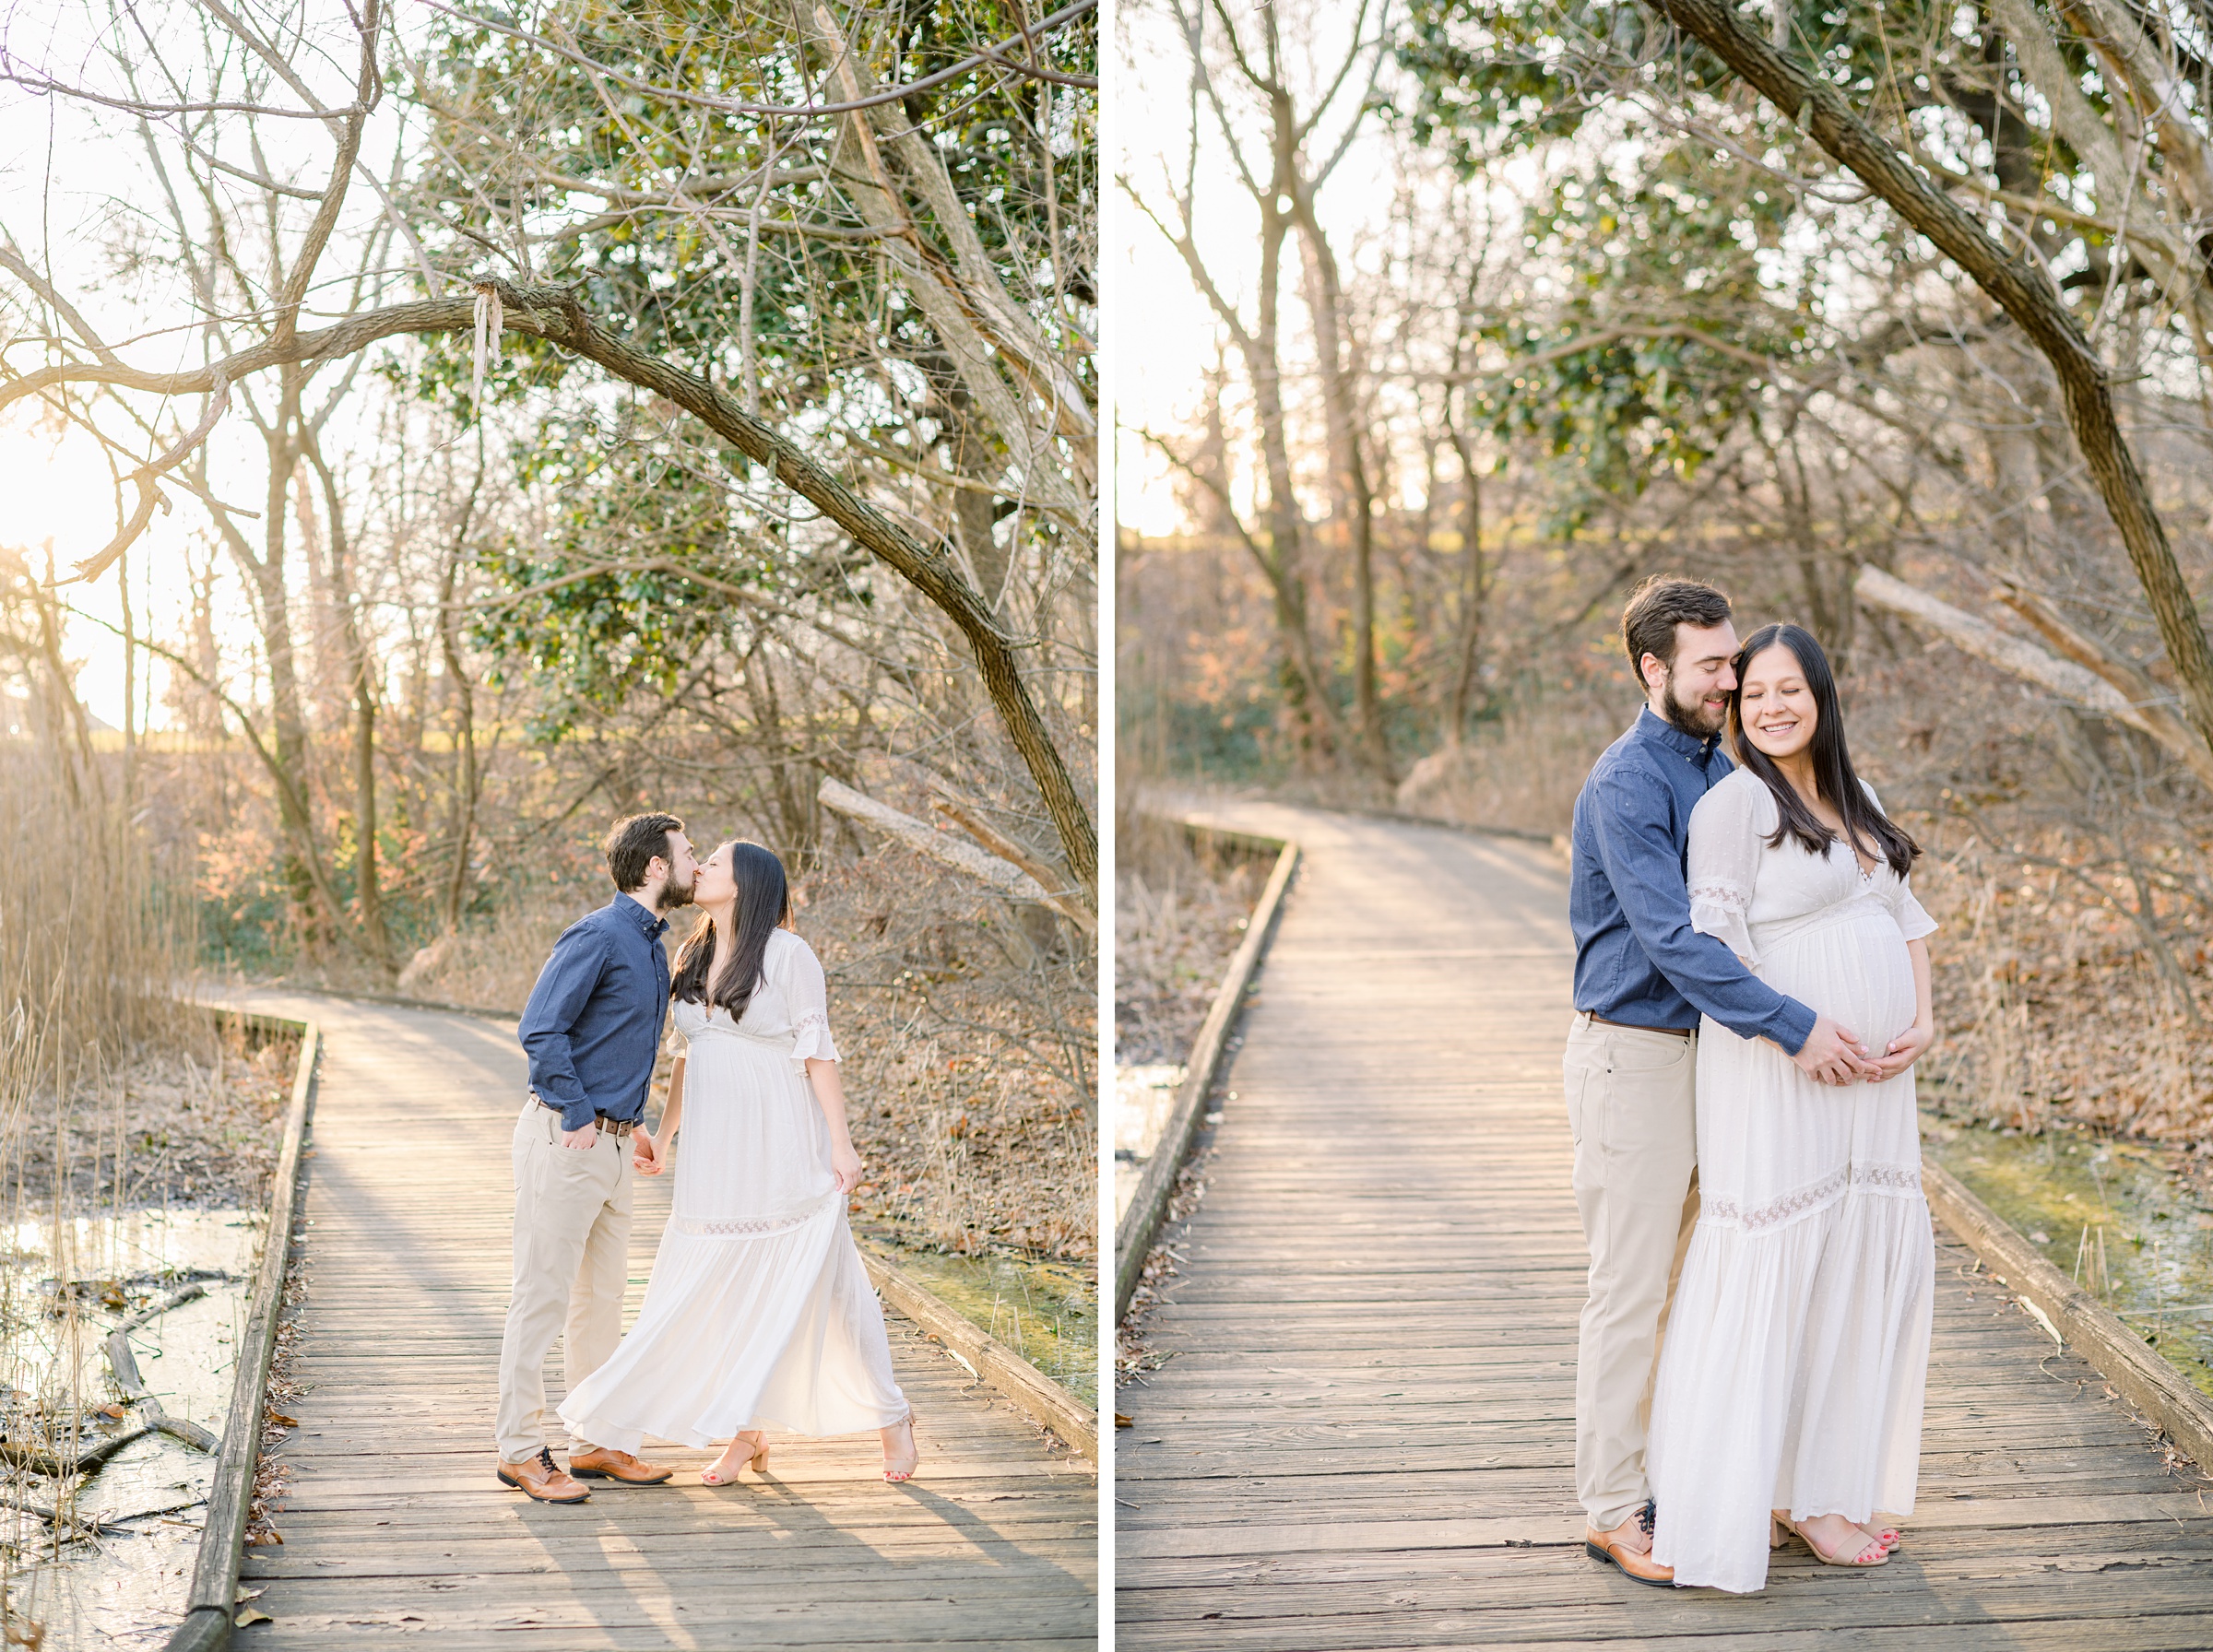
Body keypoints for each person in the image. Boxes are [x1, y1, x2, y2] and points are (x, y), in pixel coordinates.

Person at [1566, 578, 1873, 1586]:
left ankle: (1709, 1477)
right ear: (1653, 669)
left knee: (1709, 1282)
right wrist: (1795, 1026)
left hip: (1720, 1063)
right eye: (1711, 665)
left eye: (1732, 660)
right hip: (1639, 1057)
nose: (1731, 679)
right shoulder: (1628, 782)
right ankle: (1613, 1504)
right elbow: (1678, 941)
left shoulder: (1720, 769)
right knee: (1632, 1288)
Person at [1646, 623, 1937, 1592]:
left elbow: (1906, 920)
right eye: (1754, 692)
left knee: (1852, 1264)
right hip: (1782, 1071)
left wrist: (1923, 1020)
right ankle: (1764, 1490)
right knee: (1779, 1256)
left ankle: (1815, 1486)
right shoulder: (1735, 805)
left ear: (1822, 697)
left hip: (1876, 1084)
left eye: (1790, 690)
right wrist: (1798, 1031)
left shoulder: (1858, 799)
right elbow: (1714, 947)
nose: (1770, 706)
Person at [558, 839, 920, 1483]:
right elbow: (686, 1057)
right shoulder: (691, 952)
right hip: (714, 1151)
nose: (701, 869)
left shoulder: (788, 954)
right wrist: (664, 1137)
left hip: (780, 1138)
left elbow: (818, 1053)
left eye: (715, 863)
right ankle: (745, 1432)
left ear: (748, 882)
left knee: (832, 1285)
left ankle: (891, 1415)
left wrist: (841, 1142)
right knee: (723, 1291)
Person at [495, 811, 696, 1504]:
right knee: (542, 1299)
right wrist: (581, 1111)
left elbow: (615, 1040)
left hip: (614, 1149)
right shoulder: (599, 935)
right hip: (565, 1140)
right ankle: (520, 1451)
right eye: (688, 852)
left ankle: (595, 1442)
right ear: (656, 867)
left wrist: (631, 1122)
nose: (696, 862)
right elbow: (539, 1028)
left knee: (601, 1303)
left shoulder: (650, 947)